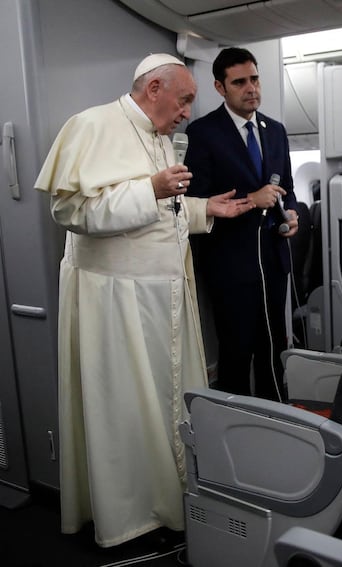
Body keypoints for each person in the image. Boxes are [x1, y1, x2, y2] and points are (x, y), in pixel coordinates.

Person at [34, 53, 254, 548]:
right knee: (127, 411)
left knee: (167, 404)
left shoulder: (159, 137)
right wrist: (151, 188)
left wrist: (204, 209)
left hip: (165, 297)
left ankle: (172, 497)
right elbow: (70, 209)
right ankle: (131, 515)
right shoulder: (91, 125)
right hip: (118, 305)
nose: (186, 113)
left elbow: (161, 213)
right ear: (154, 88)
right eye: (184, 100)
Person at [185, 47, 299, 401]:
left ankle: (277, 419)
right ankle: (234, 433)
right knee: (236, 353)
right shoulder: (203, 134)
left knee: (274, 347)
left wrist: (292, 213)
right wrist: (253, 200)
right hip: (230, 266)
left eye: (254, 79)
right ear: (220, 88)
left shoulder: (275, 130)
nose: (251, 88)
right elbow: (197, 202)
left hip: (273, 262)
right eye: (239, 82)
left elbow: (288, 189)